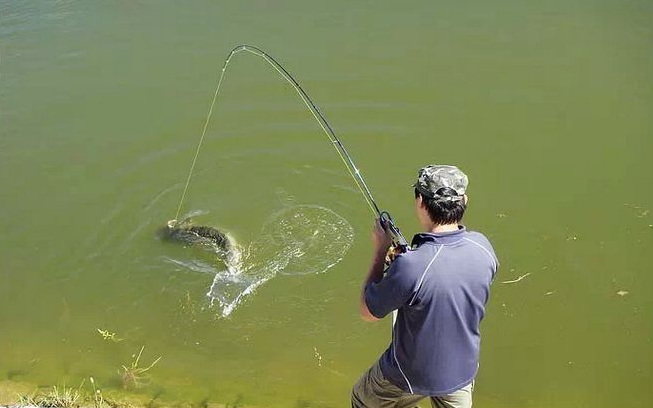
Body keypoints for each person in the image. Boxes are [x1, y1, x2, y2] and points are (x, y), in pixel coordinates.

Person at [351, 165, 498, 408]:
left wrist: (380, 251)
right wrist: (407, 263)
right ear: (464, 200)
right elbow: (446, 280)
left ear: (420, 201)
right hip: (462, 371)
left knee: (362, 400)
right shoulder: (483, 248)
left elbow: (368, 312)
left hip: (408, 375)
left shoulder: (411, 266)